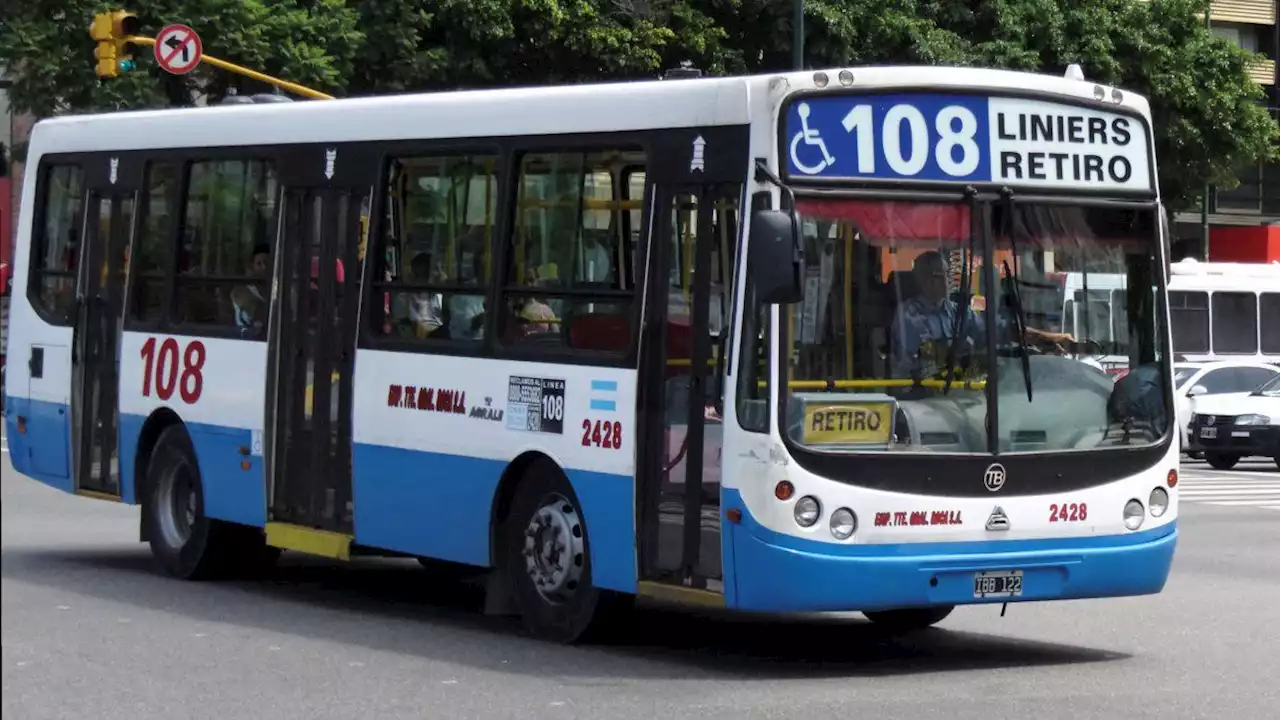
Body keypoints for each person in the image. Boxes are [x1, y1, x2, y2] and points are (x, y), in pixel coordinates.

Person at [890, 250, 1074, 379]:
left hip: (954, 389)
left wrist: (1046, 340)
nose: (946, 280)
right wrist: (981, 359)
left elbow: (996, 332)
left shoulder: (957, 311)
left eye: (947, 273)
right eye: (939, 274)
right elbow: (932, 354)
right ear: (923, 279)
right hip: (917, 392)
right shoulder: (908, 313)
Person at [231, 243, 270, 330]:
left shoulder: (280, 290)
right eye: (259, 264)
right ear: (252, 267)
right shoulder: (240, 293)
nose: (264, 267)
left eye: (266, 263)